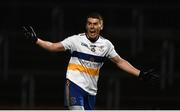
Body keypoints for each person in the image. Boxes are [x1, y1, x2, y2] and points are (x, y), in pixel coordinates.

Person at [22, 12, 159, 110]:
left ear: (101, 26)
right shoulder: (75, 40)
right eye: (89, 24)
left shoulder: (106, 45)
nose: (92, 26)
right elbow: (53, 46)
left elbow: (120, 62)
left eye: (95, 24)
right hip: (74, 85)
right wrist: (36, 40)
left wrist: (140, 74)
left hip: (91, 92)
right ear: (86, 26)